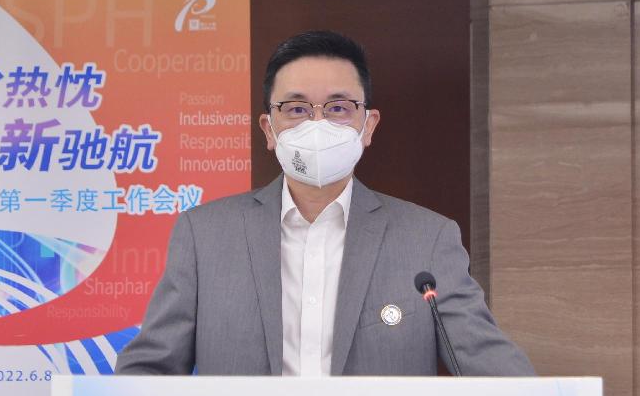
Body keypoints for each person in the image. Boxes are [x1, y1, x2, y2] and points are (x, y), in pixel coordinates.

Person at [116, 30, 533, 377]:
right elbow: (147, 371)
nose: (317, 124)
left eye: (338, 108)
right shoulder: (205, 235)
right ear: (269, 129)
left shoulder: (427, 239)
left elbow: (495, 372)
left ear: (368, 126)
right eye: (296, 108)